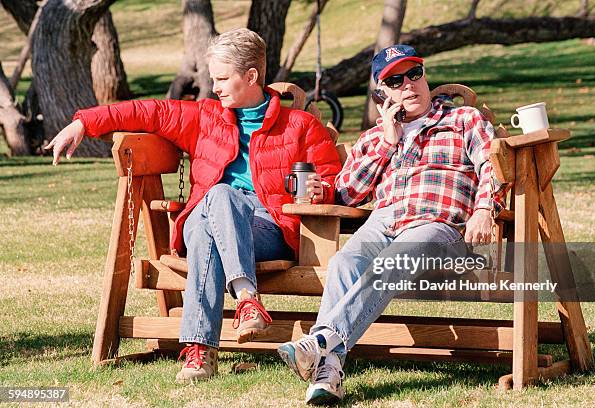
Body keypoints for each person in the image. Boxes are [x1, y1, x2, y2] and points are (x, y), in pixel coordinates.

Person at [46, 28, 342, 384]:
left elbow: (330, 182)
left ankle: (199, 352)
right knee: (216, 200)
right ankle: (247, 298)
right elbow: (147, 111)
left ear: (251, 76)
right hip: (210, 214)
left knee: (210, 217)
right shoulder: (205, 117)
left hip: (267, 227)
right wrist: (84, 122)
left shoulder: (301, 126)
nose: (214, 87)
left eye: (221, 78)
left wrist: (317, 190)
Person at [278, 44, 502, 405]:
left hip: (436, 224)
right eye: (395, 80)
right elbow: (348, 194)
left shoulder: (463, 120)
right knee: (344, 262)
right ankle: (328, 371)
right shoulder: (375, 138)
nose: (409, 85)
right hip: (384, 220)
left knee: (393, 260)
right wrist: (387, 141)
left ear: (425, 76)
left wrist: (484, 209)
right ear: (382, 94)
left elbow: (493, 165)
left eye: (415, 74)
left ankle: (319, 342)